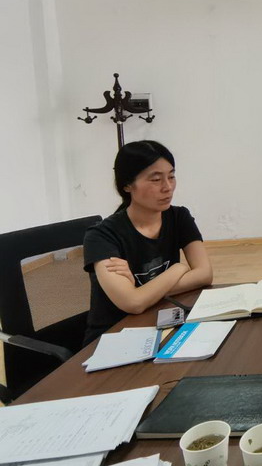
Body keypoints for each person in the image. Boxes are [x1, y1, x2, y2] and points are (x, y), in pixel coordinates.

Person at [82, 140, 213, 344]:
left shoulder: (179, 217)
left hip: (159, 323)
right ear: (127, 185)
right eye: (156, 179)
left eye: (171, 176)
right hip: (113, 338)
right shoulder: (102, 236)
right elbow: (133, 303)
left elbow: (205, 274)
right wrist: (178, 268)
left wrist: (142, 291)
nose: (167, 187)